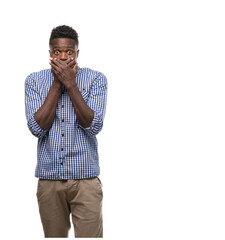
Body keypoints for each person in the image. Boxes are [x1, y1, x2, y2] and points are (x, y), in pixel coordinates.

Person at [25, 25, 107, 238]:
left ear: (77, 54)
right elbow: (36, 128)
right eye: (57, 52)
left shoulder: (96, 79)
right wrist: (56, 83)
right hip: (49, 181)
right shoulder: (34, 81)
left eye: (69, 52)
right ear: (50, 53)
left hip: (86, 181)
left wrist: (70, 84)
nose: (63, 57)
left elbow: (94, 126)